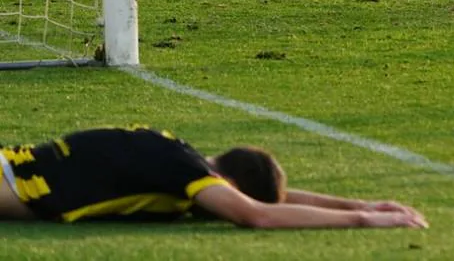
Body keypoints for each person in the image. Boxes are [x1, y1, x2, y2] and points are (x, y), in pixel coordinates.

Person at [0, 124, 426, 228]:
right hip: (12, 187)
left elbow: (269, 199)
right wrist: (363, 220)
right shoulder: (189, 175)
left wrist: (358, 202)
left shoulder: (181, 155)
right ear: (231, 185)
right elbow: (257, 214)